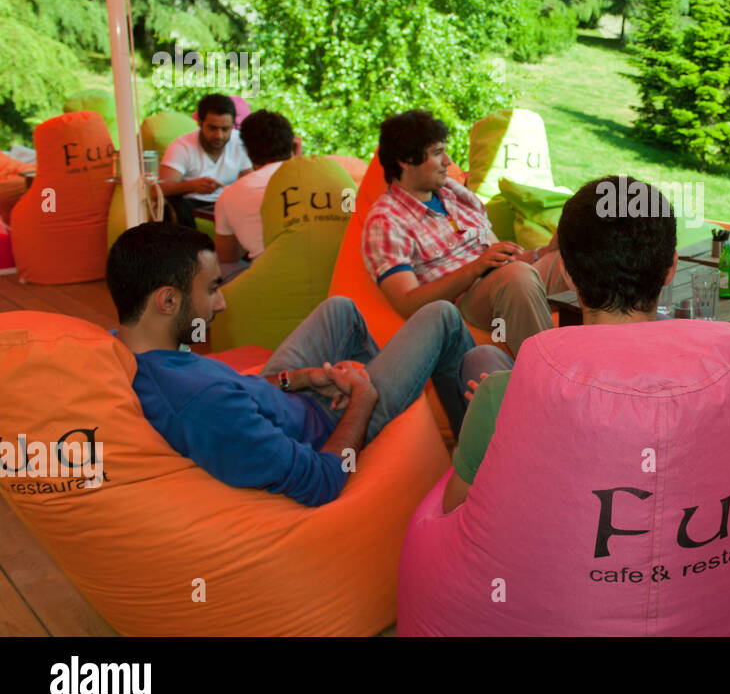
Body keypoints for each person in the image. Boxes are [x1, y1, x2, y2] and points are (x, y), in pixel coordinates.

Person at [107, 222, 509, 507]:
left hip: (280, 394)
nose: (222, 303)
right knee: (441, 316)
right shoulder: (202, 402)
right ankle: (473, 450)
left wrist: (298, 379)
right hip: (329, 423)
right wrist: (362, 399)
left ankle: (397, 399)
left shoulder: (122, 348)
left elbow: (241, 394)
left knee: (340, 311)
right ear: (167, 301)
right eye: (212, 289)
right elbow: (321, 480)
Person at [441, 174, 678, 513]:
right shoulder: (726, 368)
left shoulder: (502, 396)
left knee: (483, 363)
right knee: (485, 357)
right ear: (671, 268)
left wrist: (491, 422)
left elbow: (454, 515)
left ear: (566, 274)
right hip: (679, 545)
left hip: (550, 553)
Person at [362, 110, 569, 358]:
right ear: (406, 160)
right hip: (466, 303)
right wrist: (476, 268)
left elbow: (500, 257)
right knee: (515, 276)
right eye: (438, 153)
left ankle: (606, 367)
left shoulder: (452, 192)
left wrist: (544, 252)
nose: (448, 161)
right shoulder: (386, 222)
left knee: (576, 260)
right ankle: (550, 374)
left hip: (503, 279)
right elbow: (408, 303)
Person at [213, 109, 302, 274]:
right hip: (331, 279)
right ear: (293, 143)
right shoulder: (330, 177)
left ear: (247, 149)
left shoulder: (230, 194)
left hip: (269, 282)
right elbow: (350, 209)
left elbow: (228, 257)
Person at [158, 93, 253, 228]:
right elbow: (160, 189)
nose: (219, 136)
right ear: (200, 123)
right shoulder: (182, 147)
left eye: (225, 129)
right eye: (212, 128)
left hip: (226, 202)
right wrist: (192, 186)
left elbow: (250, 179)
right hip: (190, 205)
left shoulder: (239, 141)